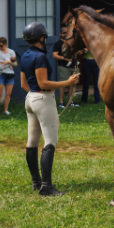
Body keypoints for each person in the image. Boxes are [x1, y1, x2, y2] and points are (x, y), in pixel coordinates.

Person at [21, 22, 80, 196]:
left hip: (30, 99)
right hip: (42, 99)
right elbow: (43, 83)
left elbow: (24, 83)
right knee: (50, 142)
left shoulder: (24, 56)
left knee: (32, 142)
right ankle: (46, 187)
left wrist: (34, 95)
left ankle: (36, 182)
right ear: (41, 38)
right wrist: (68, 83)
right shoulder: (40, 57)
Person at [0, 36, 17, 117]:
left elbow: (15, 64)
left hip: (10, 74)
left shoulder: (11, 52)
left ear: (5, 44)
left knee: (8, 93)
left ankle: (5, 110)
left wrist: (8, 62)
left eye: (1, 45)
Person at [52, 38, 77, 109]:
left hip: (73, 65)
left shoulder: (71, 42)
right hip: (63, 66)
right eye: (64, 32)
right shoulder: (58, 43)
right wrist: (65, 58)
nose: (66, 34)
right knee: (62, 84)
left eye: (66, 32)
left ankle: (70, 102)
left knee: (72, 84)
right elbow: (54, 55)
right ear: (60, 34)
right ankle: (61, 103)